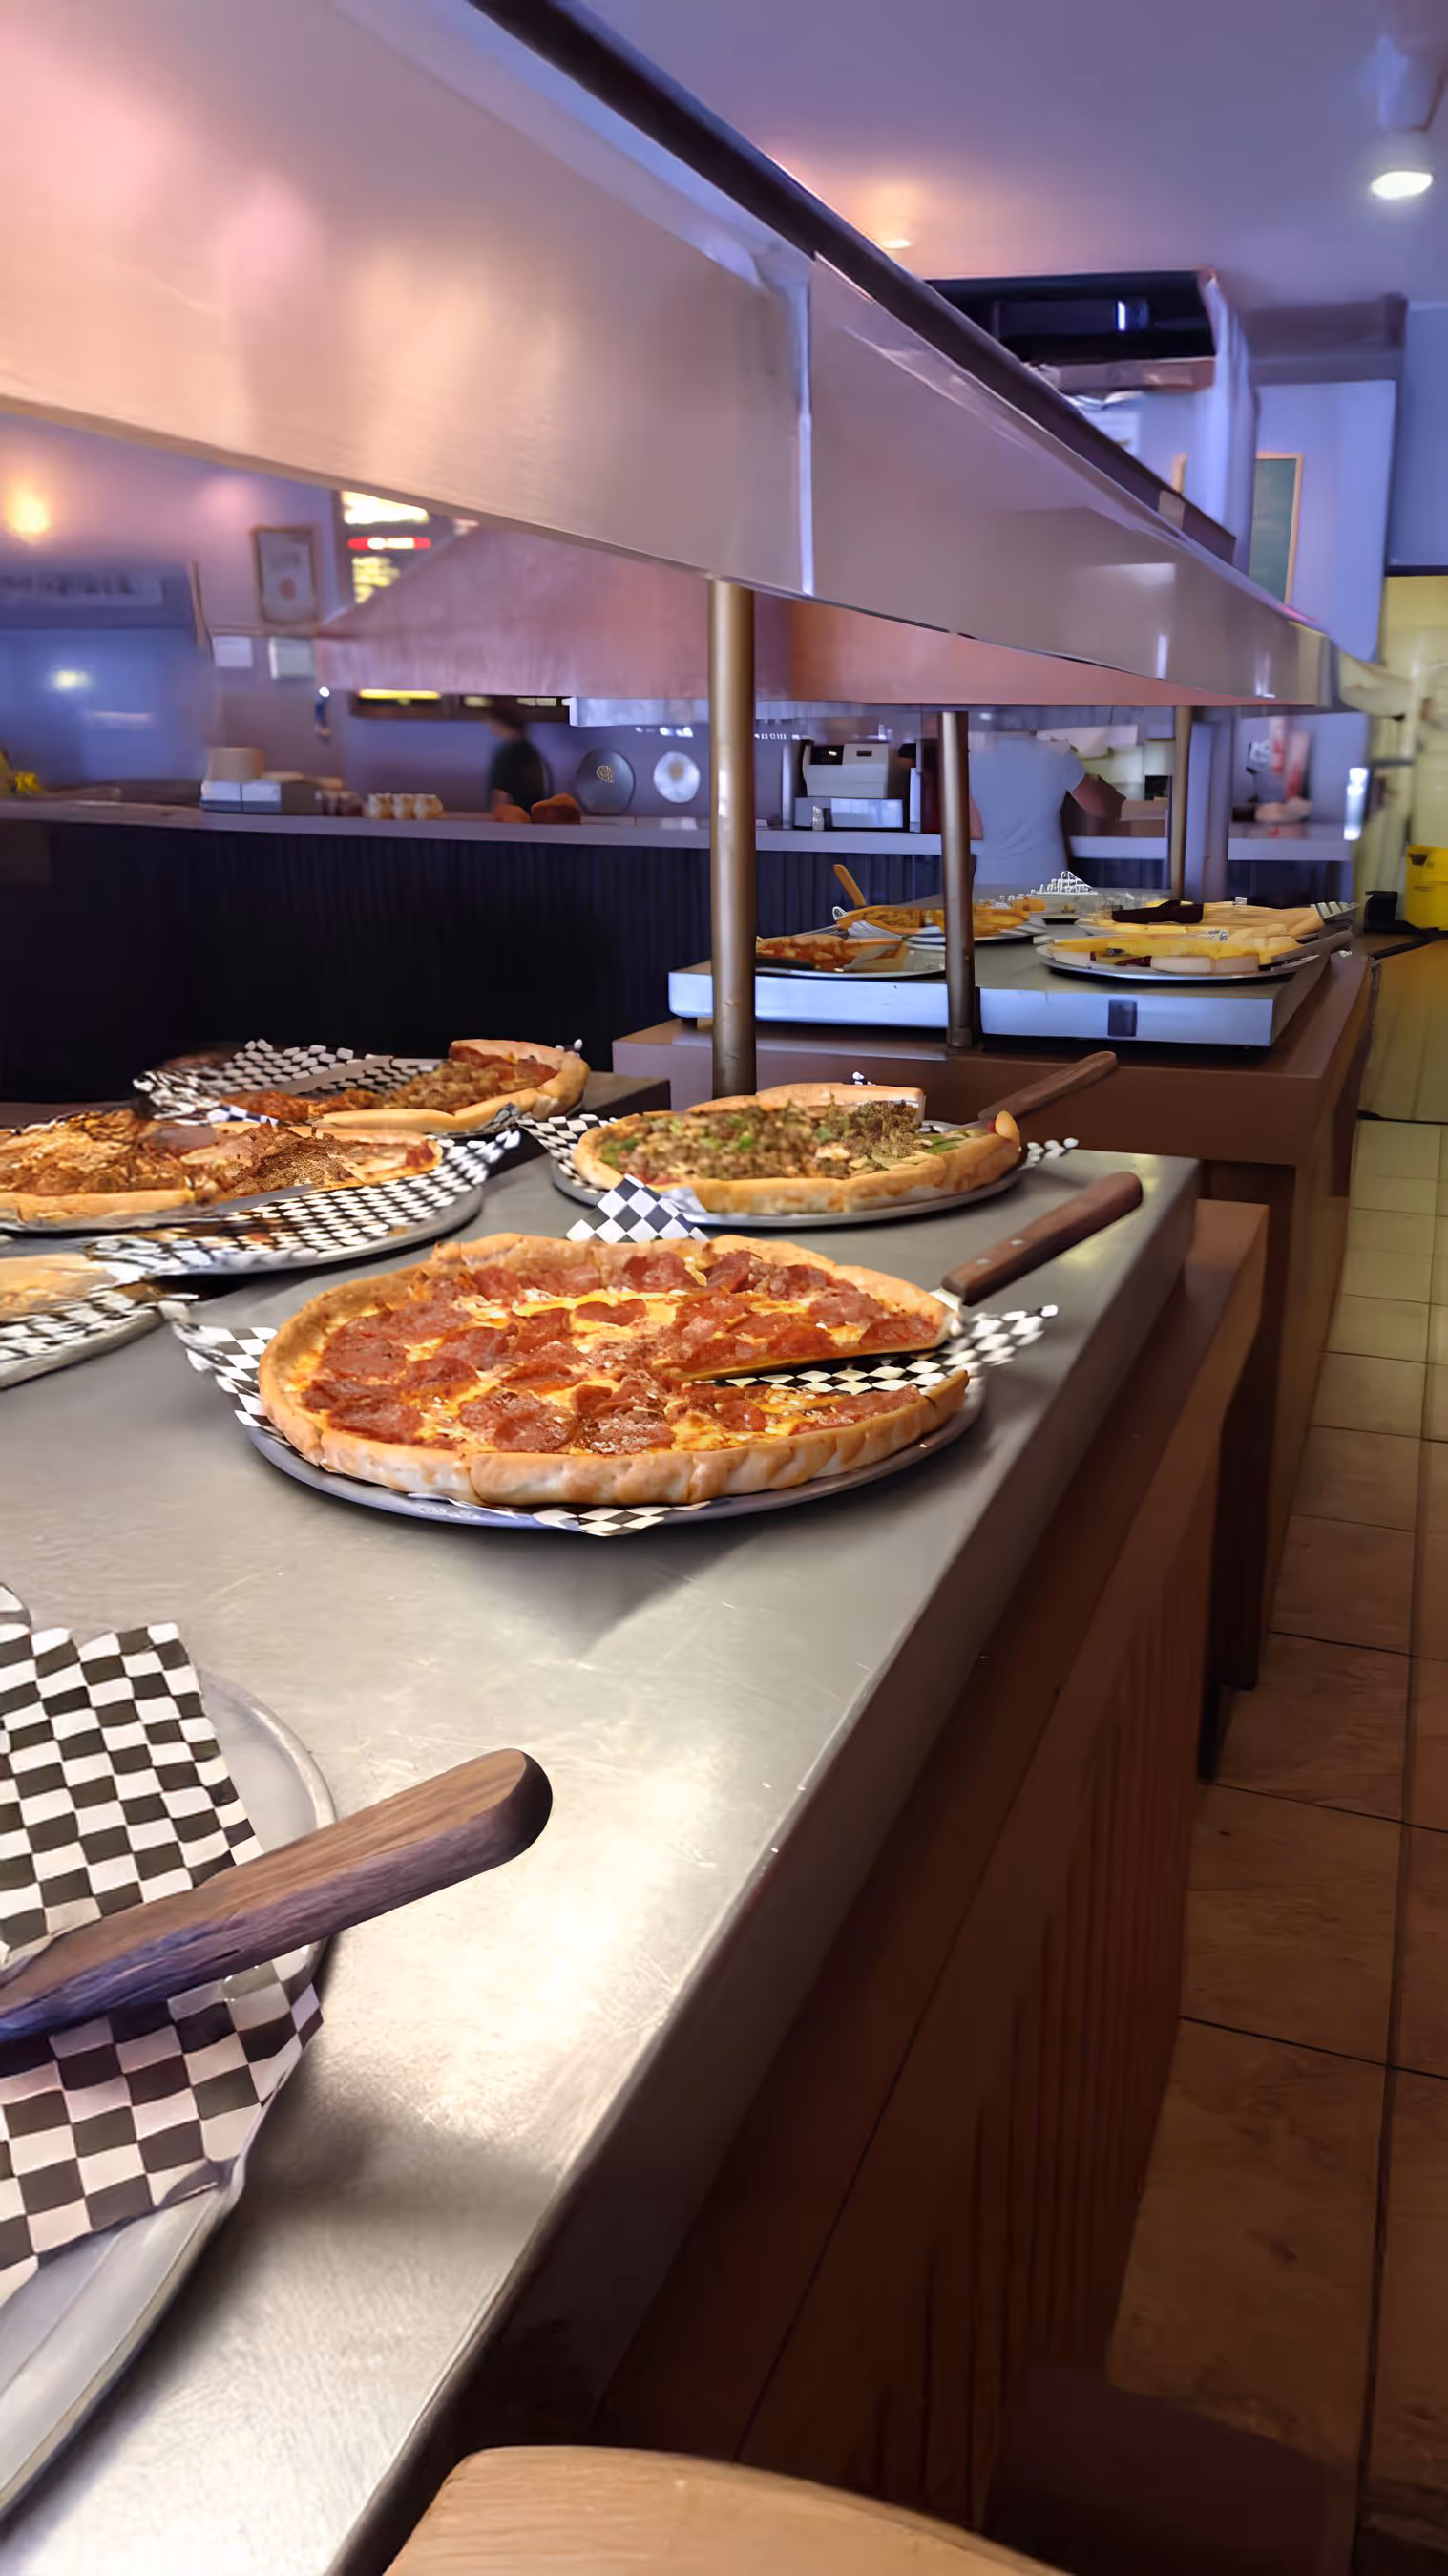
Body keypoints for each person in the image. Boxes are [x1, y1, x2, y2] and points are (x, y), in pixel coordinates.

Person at [966, 730, 1123, 890]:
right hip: (1047, 886)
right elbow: (1101, 808)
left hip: (991, 884)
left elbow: (975, 831)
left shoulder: (973, 759)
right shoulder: (1056, 753)